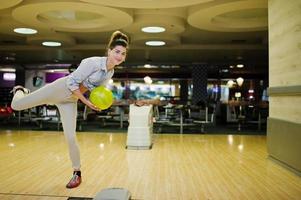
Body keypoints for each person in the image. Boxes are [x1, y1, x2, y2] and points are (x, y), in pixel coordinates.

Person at [10, 31, 129, 189]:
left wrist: (97, 103)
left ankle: (77, 173)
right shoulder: (92, 62)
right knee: (16, 106)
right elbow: (72, 83)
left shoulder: (110, 72)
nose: (119, 56)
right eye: (117, 52)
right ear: (109, 51)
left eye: (123, 53)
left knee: (71, 137)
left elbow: (96, 92)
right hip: (59, 89)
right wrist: (86, 102)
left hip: (70, 101)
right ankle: (20, 90)